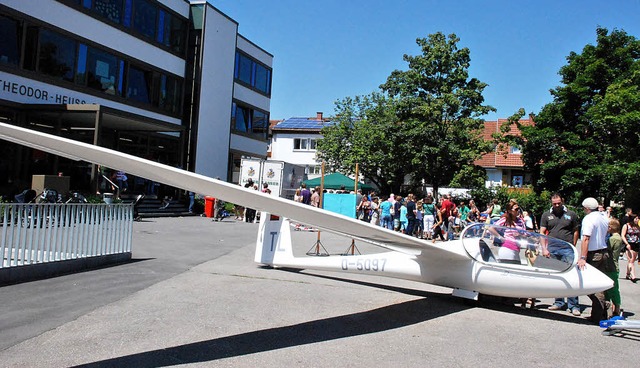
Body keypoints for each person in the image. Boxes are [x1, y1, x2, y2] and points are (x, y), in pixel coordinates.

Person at [539, 193, 581, 316]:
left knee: (571, 276)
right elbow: (542, 232)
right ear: (551, 203)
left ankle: (573, 305)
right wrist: (544, 248)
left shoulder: (571, 214)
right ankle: (559, 302)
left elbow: (576, 231)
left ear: (562, 201)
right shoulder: (546, 215)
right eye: (554, 203)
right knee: (557, 276)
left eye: (559, 203)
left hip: (567, 249)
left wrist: (572, 246)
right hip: (552, 249)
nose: (557, 205)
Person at [578, 197, 615, 323]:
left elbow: (586, 239)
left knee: (587, 284)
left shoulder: (588, 219)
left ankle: (601, 309)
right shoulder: (603, 216)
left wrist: (583, 257)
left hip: (593, 254)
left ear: (586, 208)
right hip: (603, 252)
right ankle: (601, 311)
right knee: (598, 284)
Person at [605, 219, 624, 316]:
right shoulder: (617, 237)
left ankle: (617, 308)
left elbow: (606, 249)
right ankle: (613, 307)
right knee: (612, 288)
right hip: (613, 266)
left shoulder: (613, 239)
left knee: (612, 288)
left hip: (611, 266)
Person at [621, 212, 639, 282]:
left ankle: (628, 274)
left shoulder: (638, 226)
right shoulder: (626, 226)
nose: (637, 220)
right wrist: (626, 243)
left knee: (632, 260)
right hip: (629, 244)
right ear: (632, 219)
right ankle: (633, 275)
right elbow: (622, 235)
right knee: (631, 260)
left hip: (636, 244)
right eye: (636, 218)